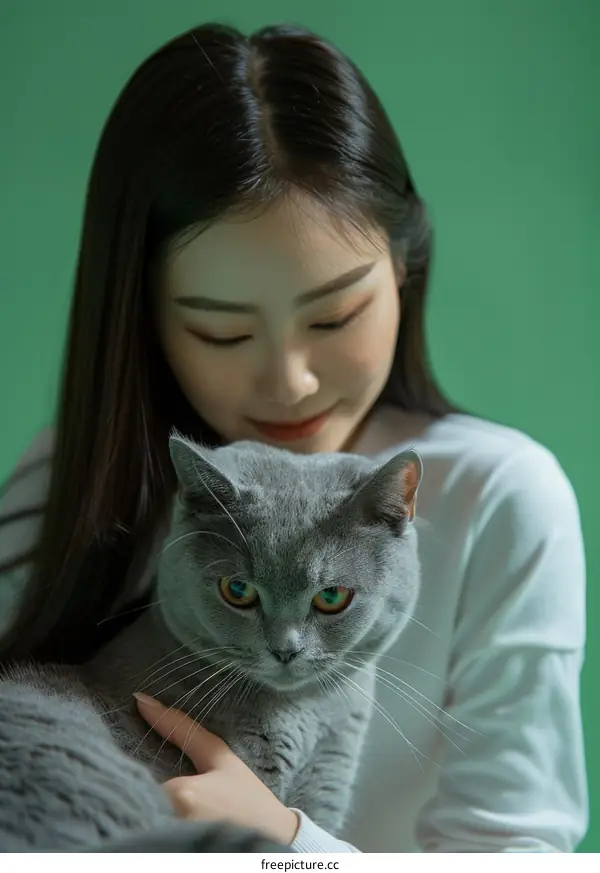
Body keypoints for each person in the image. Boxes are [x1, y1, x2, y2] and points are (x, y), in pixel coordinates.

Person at [0, 22, 587, 853]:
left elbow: (521, 852)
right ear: (145, 317)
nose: (291, 382)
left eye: (334, 314)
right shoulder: (82, 471)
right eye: (223, 333)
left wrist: (284, 841)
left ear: (404, 268)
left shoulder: (500, 499)